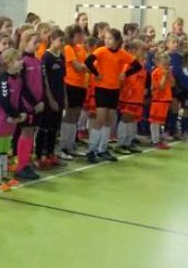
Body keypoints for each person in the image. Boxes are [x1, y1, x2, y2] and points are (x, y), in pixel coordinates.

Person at [84, 29, 142, 164]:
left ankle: (103, 149)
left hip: (114, 90)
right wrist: (96, 73)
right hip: (102, 89)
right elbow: (88, 61)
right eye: (105, 38)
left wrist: (125, 74)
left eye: (109, 38)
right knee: (100, 119)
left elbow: (137, 66)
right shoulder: (101, 51)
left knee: (109, 120)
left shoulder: (122, 54)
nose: (106, 41)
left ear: (117, 41)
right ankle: (91, 150)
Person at [0, 49, 25, 191]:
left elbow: (18, 99)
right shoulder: (3, 80)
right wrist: (15, 114)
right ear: (8, 63)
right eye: (18, 59)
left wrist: (20, 113)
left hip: (10, 120)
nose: (21, 62)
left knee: (4, 148)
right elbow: (3, 100)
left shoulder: (18, 79)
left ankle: (5, 176)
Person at [16, 30, 45, 180]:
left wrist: (42, 100)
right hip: (27, 104)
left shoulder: (38, 61)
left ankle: (26, 161)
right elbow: (23, 86)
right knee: (26, 132)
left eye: (39, 42)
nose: (38, 45)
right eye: (35, 42)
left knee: (30, 132)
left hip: (37, 104)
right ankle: (21, 165)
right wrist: (34, 103)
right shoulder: (23, 61)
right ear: (25, 42)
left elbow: (40, 83)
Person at [36, 28, 67, 169]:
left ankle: (50, 154)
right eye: (60, 40)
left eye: (64, 41)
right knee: (44, 127)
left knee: (55, 127)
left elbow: (62, 79)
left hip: (59, 96)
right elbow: (45, 80)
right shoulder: (46, 57)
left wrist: (64, 97)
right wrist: (51, 99)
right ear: (52, 40)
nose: (62, 43)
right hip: (49, 98)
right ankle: (39, 156)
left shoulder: (61, 57)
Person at [60, 24, 88, 159]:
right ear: (72, 35)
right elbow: (78, 67)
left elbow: (86, 65)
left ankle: (71, 145)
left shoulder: (81, 48)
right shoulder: (68, 48)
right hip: (70, 84)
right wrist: (85, 67)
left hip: (81, 85)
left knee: (75, 116)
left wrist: (85, 67)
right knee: (69, 115)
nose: (82, 36)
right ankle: (64, 146)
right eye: (79, 34)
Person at [116, 41, 146, 155]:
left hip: (138, 97)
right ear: (133, 50)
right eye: (141, 49)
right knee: (126, 119)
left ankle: (129, 142)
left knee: (133, 120)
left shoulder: (141, 64)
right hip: (129, 96)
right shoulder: (128, 64)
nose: (143, 52)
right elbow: (122, 79)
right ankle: (121, 143)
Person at [150, 52, 175, 150]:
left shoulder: (167, 72)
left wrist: (169, 75)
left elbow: (173, 84)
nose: (167, 66)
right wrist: (164, 76)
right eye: (164, 64)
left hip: (165, 100)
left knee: (160, 121)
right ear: (157, 63)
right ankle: (155, 140)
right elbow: (161, 87)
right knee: (155, 121)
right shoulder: (156, 72)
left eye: (168, 64)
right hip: (158, 100)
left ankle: (158, 138)